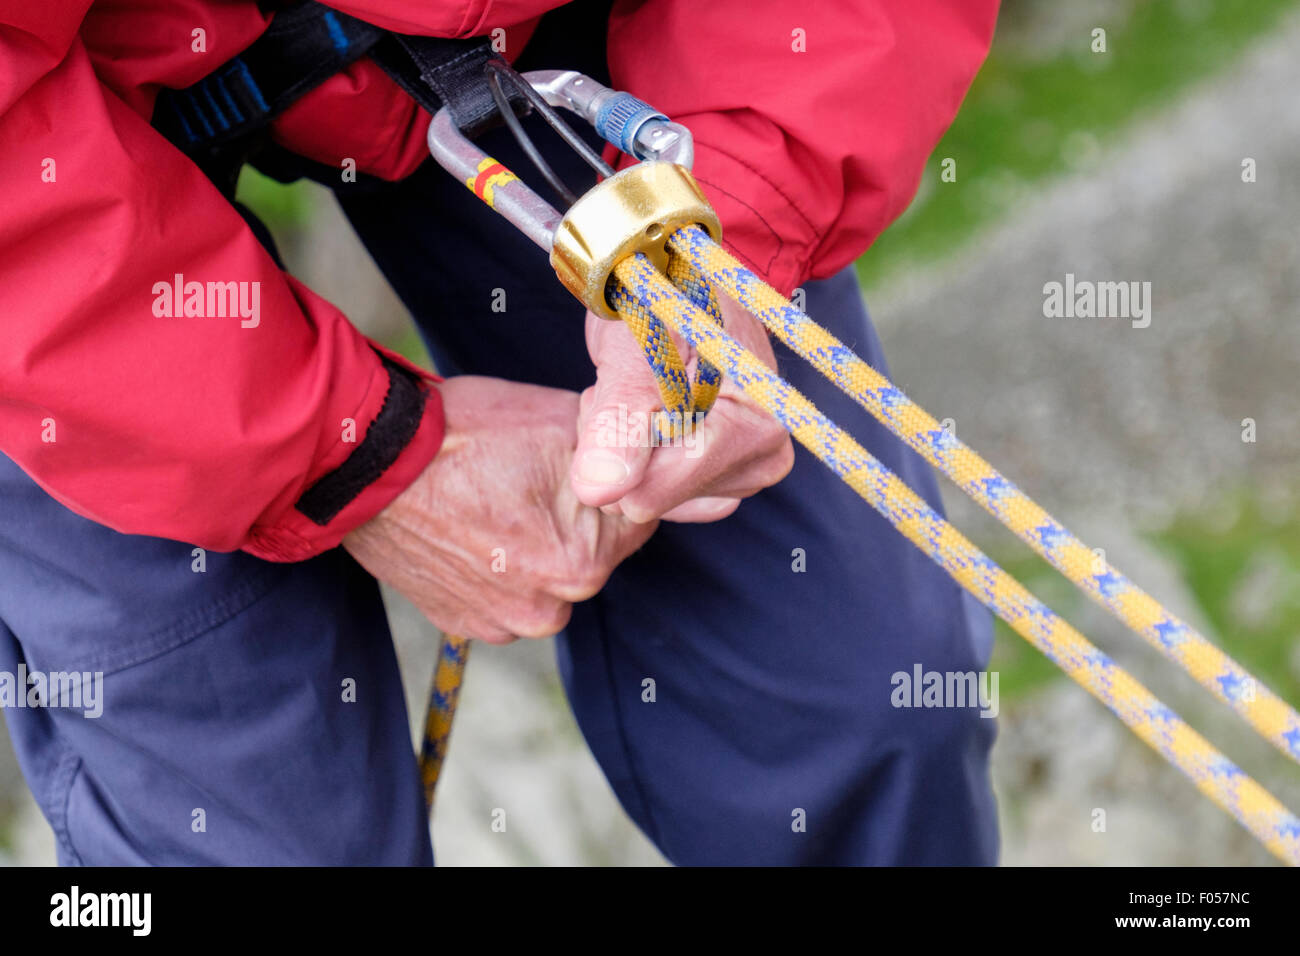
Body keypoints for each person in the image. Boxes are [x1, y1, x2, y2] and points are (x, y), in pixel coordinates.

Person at [0, 0, 1001, 865]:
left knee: (864, 696)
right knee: (256, 834)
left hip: (504, 42)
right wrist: (356, 451)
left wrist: (728, 213)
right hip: (32, 196)